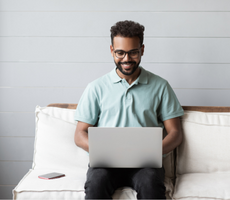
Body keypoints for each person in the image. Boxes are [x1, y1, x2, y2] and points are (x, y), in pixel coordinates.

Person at [74, 20, 184, 199]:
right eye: (120, 53)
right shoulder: (96, 88)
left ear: (142, 50)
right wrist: (105, 150)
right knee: (96, 184)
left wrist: (152, 151)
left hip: (146, 164)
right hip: (105, 164)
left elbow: (175, 133)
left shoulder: (161, 86)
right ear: (112, 51)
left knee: (150, 184)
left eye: (133, 52)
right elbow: (79, 134)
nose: (126, 59)